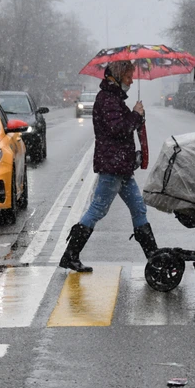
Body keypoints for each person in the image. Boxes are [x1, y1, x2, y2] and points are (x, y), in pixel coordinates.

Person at [59, 60, 158, 272]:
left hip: (121, 166)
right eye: (129, 77)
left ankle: (154, 258)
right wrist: (135, 115)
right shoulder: (107, 100)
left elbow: (126, 126)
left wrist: (137, 116)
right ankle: (70, 254)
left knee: (138, 207)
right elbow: (118, 129)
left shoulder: (114, 98)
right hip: (113, 166)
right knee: (97, 209)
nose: (131, 81)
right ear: (119, 76)